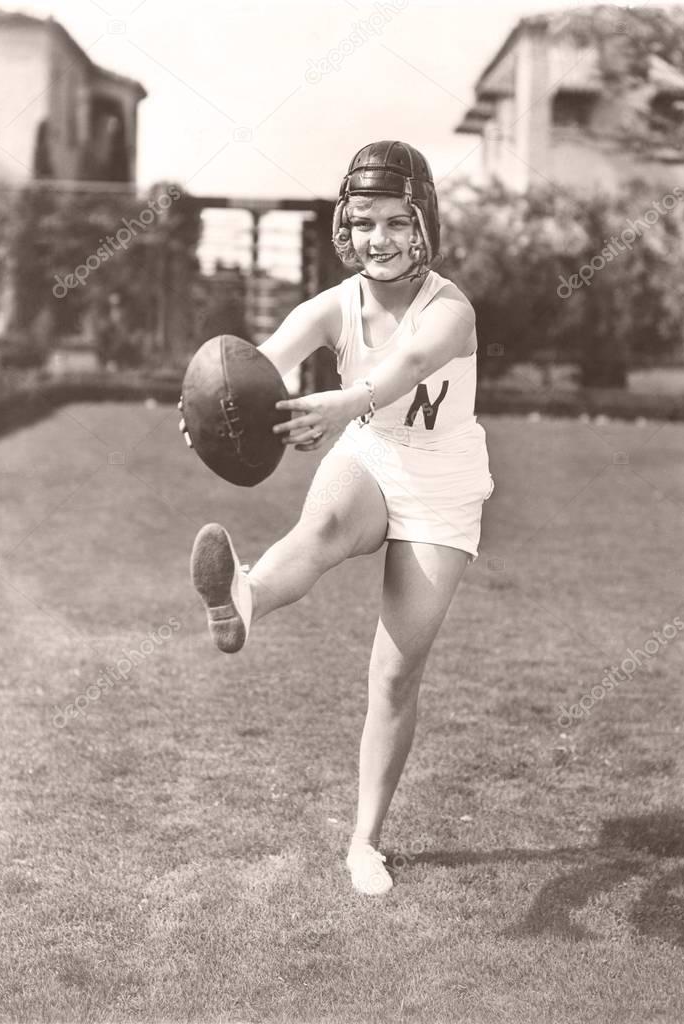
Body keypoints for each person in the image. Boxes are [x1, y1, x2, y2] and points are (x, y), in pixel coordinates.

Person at [189, 141, 494, 896]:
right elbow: (255, 369)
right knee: (320, 530)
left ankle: (365, 842)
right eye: (363, 223)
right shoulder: (333, 305)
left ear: (425, 226)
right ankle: (240, 599)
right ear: (343, 227)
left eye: (397, 222)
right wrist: (203, 411)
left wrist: (343, 399)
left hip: (443, 480)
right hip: (372, 453)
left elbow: (409, 367)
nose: (378, 239)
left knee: (393, 673)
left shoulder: (450, 308)